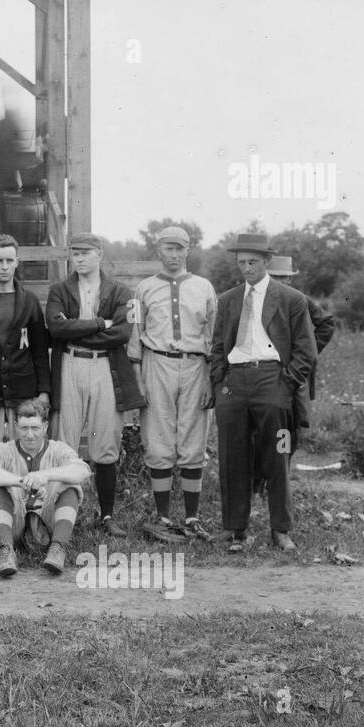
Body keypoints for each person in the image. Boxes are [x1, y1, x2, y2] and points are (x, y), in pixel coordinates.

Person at [209, 232, 317, 552]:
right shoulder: (228, 300)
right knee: (232, 457)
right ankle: (234, 528)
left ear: (267, 262)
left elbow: (306, 351)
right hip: (234, 384)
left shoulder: (290, 299)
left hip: (273, 381)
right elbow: (217, 347)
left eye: (253, 262)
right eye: (241, 262)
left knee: (277, 456)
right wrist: (220, 383)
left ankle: (280, 530)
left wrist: (286, 383)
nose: (247, 268)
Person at [45, 232, 145, 539]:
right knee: (65, 442)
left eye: (86, 252)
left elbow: (123, 334)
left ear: (99, 254)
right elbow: (56, 328)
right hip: (71, 364)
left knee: (105, 444)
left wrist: (76, 330)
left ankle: (106, 515)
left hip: (106, 366)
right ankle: (57, 515)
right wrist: (101, 324)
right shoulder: (60, 289)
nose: (80, 258)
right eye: (75, 253)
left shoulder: (121, 290)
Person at [128, 225, 219, 543]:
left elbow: (213, 335)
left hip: (195, 364)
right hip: (157, 362)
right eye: (168, 247)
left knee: (194, 439)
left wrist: (211, 376)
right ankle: (163, 517)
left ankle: (192, 518)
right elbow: (135, 334)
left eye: (180, 248)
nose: (174, 254)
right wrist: (138, 374)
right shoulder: (143, 289)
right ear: (158, 250)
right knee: (158, 438)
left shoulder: (204, 287)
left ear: (188, 251)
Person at [0, 234, 52, 518]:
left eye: (9, 260)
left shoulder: (28, 301)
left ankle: (29, 512)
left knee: (26, 450)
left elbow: (40, 349)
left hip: (22, 390)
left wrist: (43, 392)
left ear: (17, 262)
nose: (4, 267)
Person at [0, 398, 91, 577]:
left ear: (45, 426)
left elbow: (82, 470)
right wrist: (21, 481)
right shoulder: (5, 450)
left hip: (49, 517)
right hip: (14, 519)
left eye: (35, 428)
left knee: (71, 486)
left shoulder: (58, 449)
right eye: (24, 428)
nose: (29, 434)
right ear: (15, 426)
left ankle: (58, 547)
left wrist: (45, 475)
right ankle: (5, 551)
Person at [263, 254, 337, 464]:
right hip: (261, 371)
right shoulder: (254, 299)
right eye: (274, 276)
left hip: (292, 372)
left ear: (290, 280)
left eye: (283, 277)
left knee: (291, 422)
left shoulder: (299, 299)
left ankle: (282, 470)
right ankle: (259, 477)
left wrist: (308, 350)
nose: (279, 281)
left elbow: (326, 323)